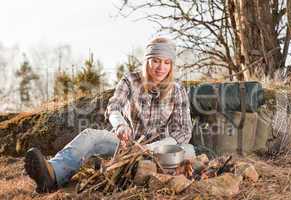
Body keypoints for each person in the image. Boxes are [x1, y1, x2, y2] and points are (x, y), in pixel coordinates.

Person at [25, 36, 194, 193]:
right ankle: (53, 174)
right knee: (91, 135)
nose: (161, 67)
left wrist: (150, 148)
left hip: (160, 150)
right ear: (147, 61)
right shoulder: (130, 80)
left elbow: (184, 131)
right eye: (156, 61)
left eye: (166, 62)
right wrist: (120, 125)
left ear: (171, 65)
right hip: (125, 145)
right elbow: (114, 107)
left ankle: (141, 172)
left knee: (189, 150)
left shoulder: (177, 90)